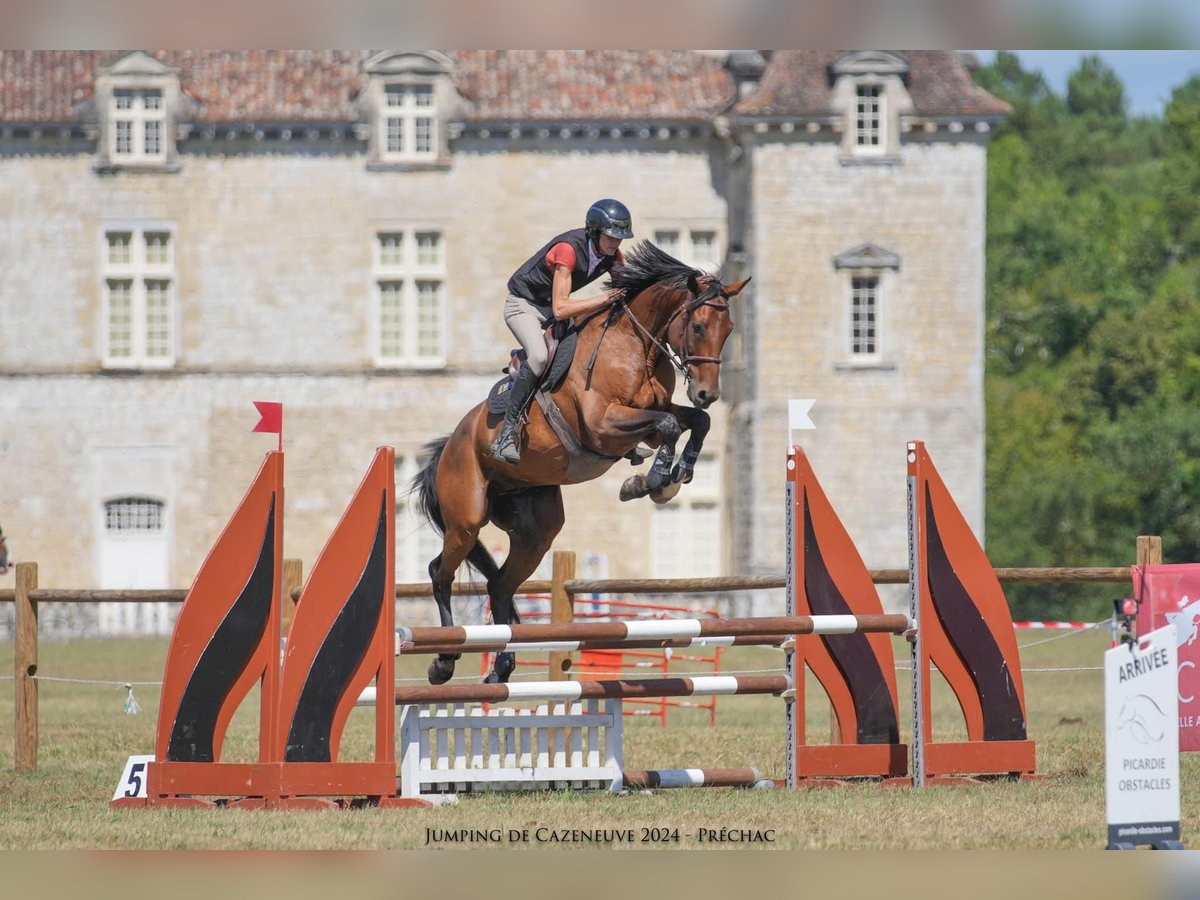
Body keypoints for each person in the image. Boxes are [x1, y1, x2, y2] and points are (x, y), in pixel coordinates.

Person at [491, 198, 634, 464]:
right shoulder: (568, 249)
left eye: (620, 238)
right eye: (611, 236)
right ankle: (506, 435)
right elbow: (560, 309)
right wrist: (604, 300)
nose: (616, 243)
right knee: (538, 357)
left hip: (551, 310)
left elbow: (627, 292)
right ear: (594, 231)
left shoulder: (613, 256)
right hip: (524, 306)